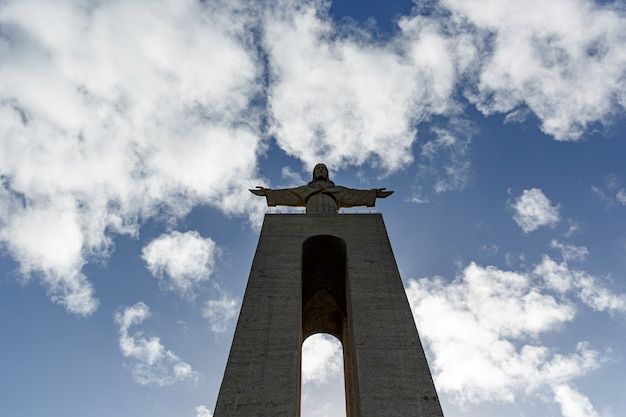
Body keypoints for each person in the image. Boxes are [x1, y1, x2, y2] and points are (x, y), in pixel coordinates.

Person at [250, 163, 392, 214]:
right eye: (318, 168)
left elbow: (353, 195)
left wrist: (373, 194)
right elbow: (289, 194)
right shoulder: (306, 190)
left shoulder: (338, 190)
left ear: (327, 173)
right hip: (311, 213)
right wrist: (268, 193)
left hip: (332, 213)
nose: (320, 170)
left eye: (323, 168)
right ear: (314, 173)